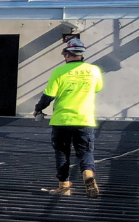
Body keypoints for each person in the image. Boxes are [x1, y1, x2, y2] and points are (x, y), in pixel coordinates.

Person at [33, 37, 104, 198]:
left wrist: (38, 109)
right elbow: (97, 88)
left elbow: (48, 96)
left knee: (62, 152)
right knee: (85, 151)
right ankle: (87, 173)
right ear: (82, 55)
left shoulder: (59, 71)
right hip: (84, 120)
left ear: (66, 54)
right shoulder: (94, 70)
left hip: (61, 120)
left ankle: (64, 186)